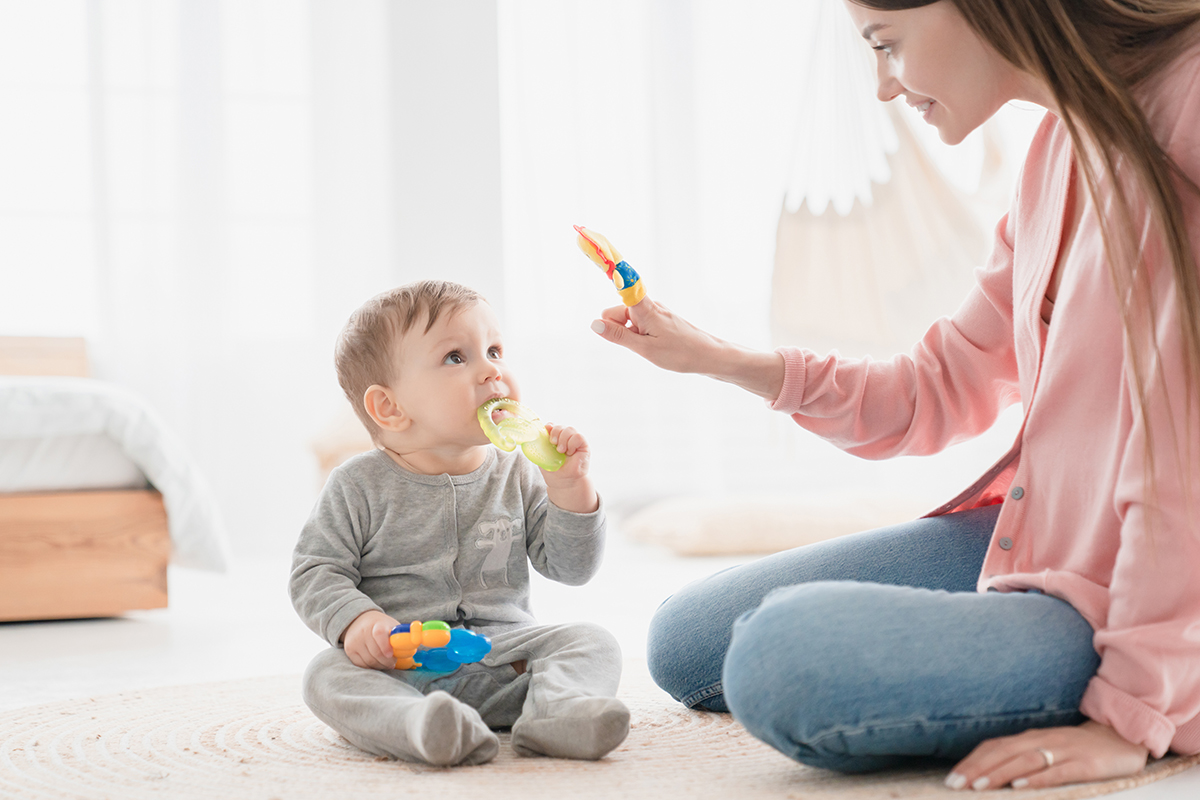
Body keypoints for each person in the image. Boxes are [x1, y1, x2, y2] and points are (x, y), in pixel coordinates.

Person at [589, 0, 1200, 791]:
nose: (883, 84)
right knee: (689, 638)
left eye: (887, 45)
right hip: (1069, 541)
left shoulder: (1182, 104)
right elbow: (937, 389)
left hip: (1171, 571)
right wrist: (721, 359)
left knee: (785, 659)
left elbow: (1183, 457)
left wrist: (1135, 713)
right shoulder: (1060, 150)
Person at [291, 280, 629, 766]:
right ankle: (422, 726)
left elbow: (571, 569)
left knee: (591, 640)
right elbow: (315, 572)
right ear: (390, 407)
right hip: (402, 662)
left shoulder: (517, 471)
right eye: (456, 357)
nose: (491, 369)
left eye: (494, 350)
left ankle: (558, 714)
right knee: (325, 675)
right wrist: (358, 623)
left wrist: (569, 489)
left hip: (506, 659)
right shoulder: (357, 485)